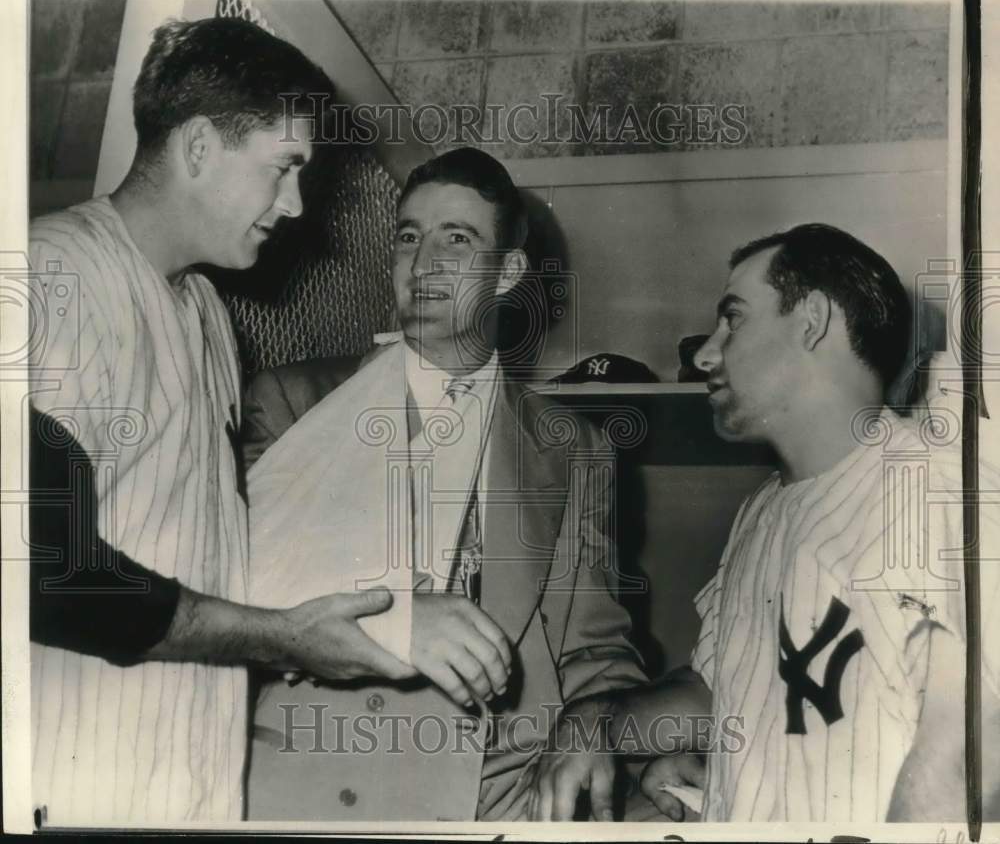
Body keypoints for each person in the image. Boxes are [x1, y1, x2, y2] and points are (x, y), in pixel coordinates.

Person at [27, 16, 417, 826]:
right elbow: (45, 574)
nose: (296, 204)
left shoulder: (207, 311)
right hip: (69, 779)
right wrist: (283, 637)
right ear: (200, 146)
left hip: (190, 777)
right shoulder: (51, 276)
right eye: (284, 167)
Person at [241, 147, 647, 821]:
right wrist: (394, 618)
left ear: (508, 272)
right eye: (409, 237)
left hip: (495, 800)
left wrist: (627, 736)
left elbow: (593, 653)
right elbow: (228, 593)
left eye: (456, 240)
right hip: (321, 789)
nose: (423, 263)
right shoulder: (294, 401)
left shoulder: (573, 448)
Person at [585, 223, 999, 822]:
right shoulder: (764, 509)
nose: (705, 354)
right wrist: (596, 726)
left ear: (811, 321)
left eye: (734, 319)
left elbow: (969, 755)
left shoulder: (932, 490)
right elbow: (718, 690)